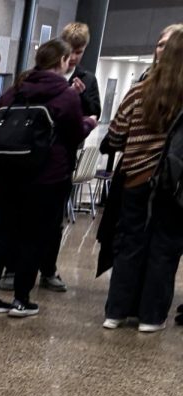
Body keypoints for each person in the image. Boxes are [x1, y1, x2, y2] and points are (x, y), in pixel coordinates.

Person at [0, 40, 96, 318]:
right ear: (62, 61)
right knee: (33, 236)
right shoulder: (65, 94)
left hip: (6, 175)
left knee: (1, 232)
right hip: (47, 178)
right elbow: (75, 133)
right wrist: (89, 123)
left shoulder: (14, 91)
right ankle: (20, 300)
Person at [101, 29, 183, 333]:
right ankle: (151, 317)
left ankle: (116, 312)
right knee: (164, 249)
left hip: (135, 178)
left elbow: (116, 135)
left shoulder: (139, 91)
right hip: (174, 185)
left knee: (129, 245)